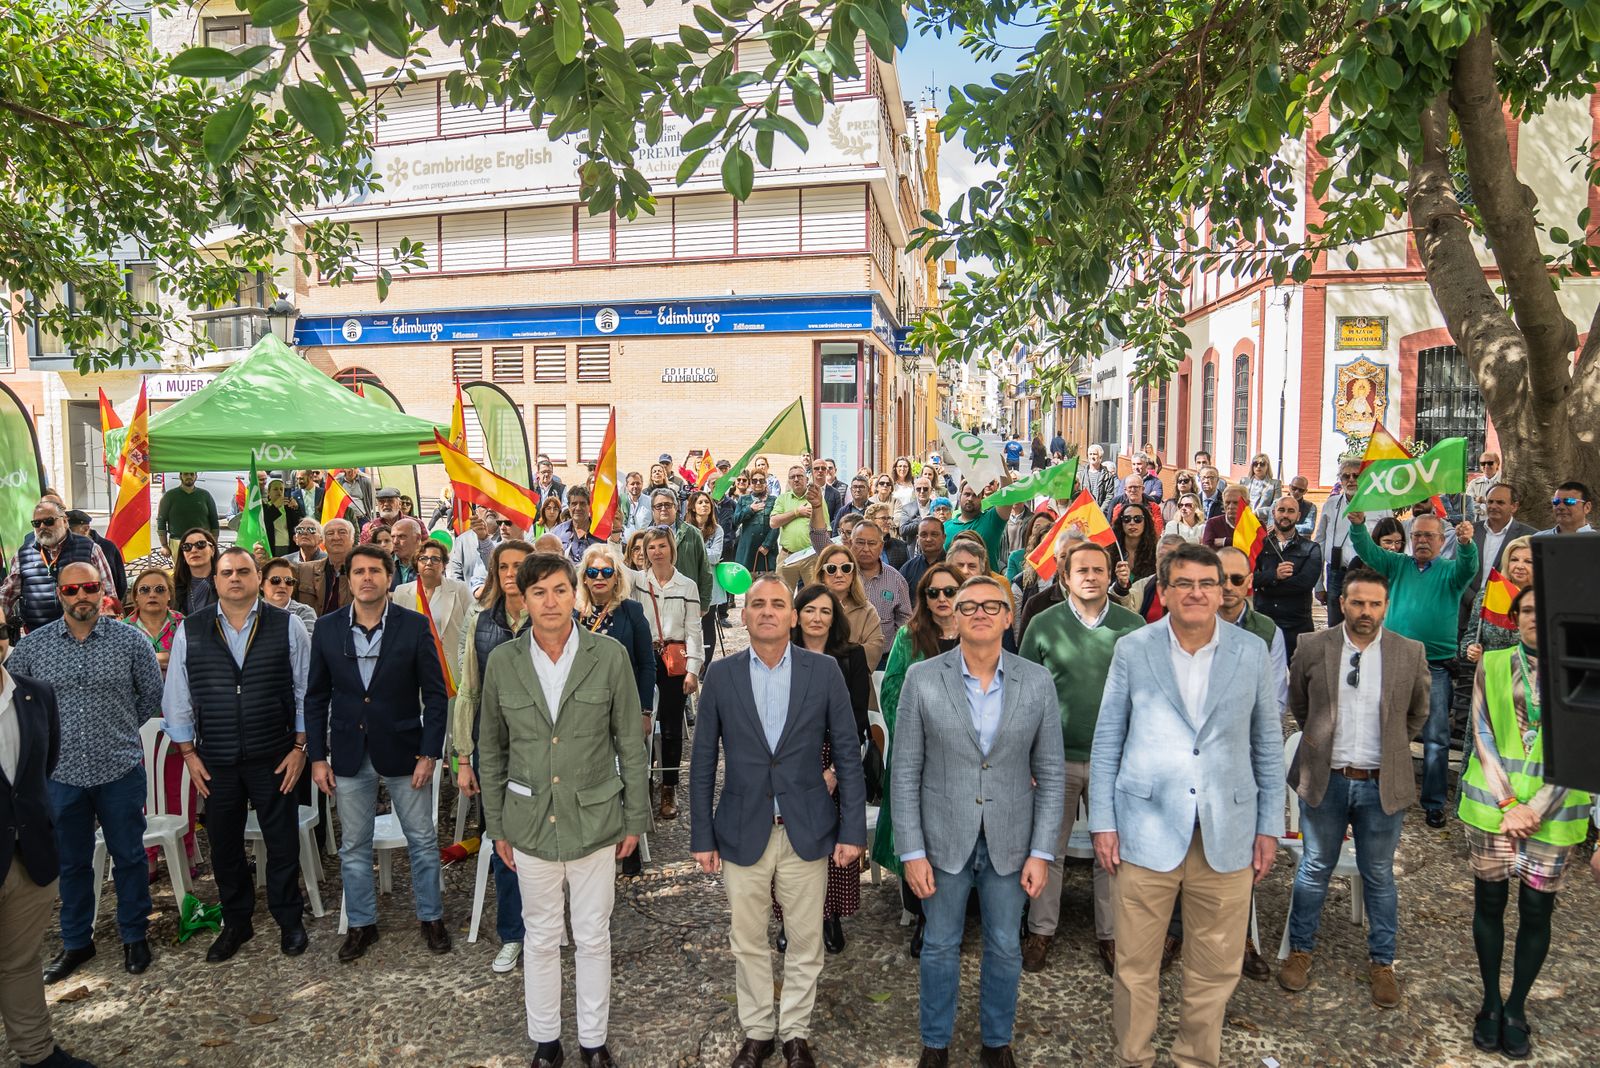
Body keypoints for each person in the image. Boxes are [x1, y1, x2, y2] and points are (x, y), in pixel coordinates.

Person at [1088, 543, 1284, 1068]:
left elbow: (1267, 743)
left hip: (1228, 833)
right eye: (1184, 584)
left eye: (1207, 583)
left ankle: (1195, 1058)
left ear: (1223, 592)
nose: (1196, 593)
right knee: (1134, 964)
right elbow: (1108, 739)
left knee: (1216, 967)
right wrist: (1103, 823)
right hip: (1145, 832)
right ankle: (1134, 1057)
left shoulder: (1250, 651)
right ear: (1165, 592)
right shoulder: (1134, 648)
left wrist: (1269, 827)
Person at [476, 553, 647, 1068]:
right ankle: (546, 1040)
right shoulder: (505, 661)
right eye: (538, 593)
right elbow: (491, 749)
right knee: (542, 935)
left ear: (575, 593)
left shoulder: (609, 655)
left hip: (595, 820)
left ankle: (593, 1041)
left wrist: (634, 818)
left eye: (559, 590)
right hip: (528, 823)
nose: (550, 602)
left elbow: (630, 746)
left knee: (594, 936)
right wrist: (497, 824)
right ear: (522, 600)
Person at [689, 576, 866, 1068]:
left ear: (793, 616)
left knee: (806, 941)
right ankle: (758, 1032)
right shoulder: (721, 677)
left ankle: (795, 1033)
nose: (767, 612)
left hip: (807, 827)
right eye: (757, 604)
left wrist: (852, 829)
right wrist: (701, 834)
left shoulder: (824, 670)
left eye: (778, 604)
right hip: (741, 830)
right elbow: (703, 761)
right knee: (747, 940)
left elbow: (848, 755)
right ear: (743, 616)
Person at [894, 575, 1064, 1068]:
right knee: (941, 945)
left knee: (1005, 946)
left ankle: (996, 1042)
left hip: (1011, 841)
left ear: (1010, 617)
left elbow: (1051, 774)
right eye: (969, 606)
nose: (981, 613)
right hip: (943, 838)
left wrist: (1041, 851)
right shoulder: (922, 679)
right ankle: (935, 1043)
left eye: (994, 605)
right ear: (955, 615)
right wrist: (911, 851)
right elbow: (904, 772)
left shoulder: (1037, 681)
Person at [1279, 568, 1431, 1007]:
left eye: (1375, 604)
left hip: (1381, 785)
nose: (1366, 612)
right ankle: (1301, 951)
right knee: (1314, 868)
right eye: (1358, 603)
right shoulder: (1312, 647)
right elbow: (1300, 704)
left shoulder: (1409, 653)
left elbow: (1417, 713)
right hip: (1326, 781)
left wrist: (1391, 749)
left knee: (1379, 874)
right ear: (1342, 603)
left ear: (1386, 606)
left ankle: (1382, 962)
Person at [7, 563, 164, 982]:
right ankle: (77, 942)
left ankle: (134, 935)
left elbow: (150, 694)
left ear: (103, 591)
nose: (81, 596)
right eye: (72, 588)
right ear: (59, 593)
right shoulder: (34, 647)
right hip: (60, 775)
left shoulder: (131, 642)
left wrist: (115, 728)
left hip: (119, 768)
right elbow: (16, 700)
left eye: (89, 587)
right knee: (72, 862)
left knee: (129, 857)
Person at [1456, 585, 1592, 1060]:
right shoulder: (1492, 664)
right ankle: (1490, 1000)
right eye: (1528, 609)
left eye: (1546, 609)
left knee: (1537, 913)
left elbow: (1583, 743)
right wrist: (1510, 801)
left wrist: (1538, 808)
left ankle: (1517, 1007)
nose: (1537, 616)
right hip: (1493, 810)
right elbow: (1482, 731)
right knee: (1489, 905)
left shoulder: (1583, 668)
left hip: (1552, 818)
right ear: (1516, 617)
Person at [161, 548, 311, 961]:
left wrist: (301, 746)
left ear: (258, 576)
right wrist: (189, 754)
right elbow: (178, 696)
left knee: (281, 843)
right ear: (216, 578)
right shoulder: (192, 629)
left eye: (244, 571)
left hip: (275, 755)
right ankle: (237, 923)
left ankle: (288, 919)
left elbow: (305, 690)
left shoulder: (288, 625)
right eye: (227, 572)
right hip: (217, 760)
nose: (235, 579)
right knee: (225, 846)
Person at [305, 544, 452, 961]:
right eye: (358, 572)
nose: (366, 578)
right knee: (354, 844)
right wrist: (318, 756)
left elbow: (436, 697)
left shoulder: (414, 626)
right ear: (348, 580)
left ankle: (432, 917)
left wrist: (429, 753)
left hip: (405, 751)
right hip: (349, 752)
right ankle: (361, 925)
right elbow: (315, 697)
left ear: (390, 577)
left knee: (422, 840)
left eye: (375, 570)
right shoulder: (328, 628)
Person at [1018, 540, 1143, 975]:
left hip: (1115, 761)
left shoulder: (1133, 625)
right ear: (1065, 576)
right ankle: (1041, 930)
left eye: (1099, 569)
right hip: (1055, 758)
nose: (1090, 576)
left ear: (1111, 575)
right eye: (1081, 570)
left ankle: (1111, 935)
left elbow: (1145, 696)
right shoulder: (1043, 624)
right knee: (1047, 849)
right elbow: (1024, 694)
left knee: (1112, 851)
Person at [0, 623, 97, 1068]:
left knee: (20, 963)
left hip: (29, 858)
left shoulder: (36, 694)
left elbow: (44, 764)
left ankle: (37, 1055)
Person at [1349, 510, 1477, 828]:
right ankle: (1386, 794)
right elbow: (1368, 551)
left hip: (1435, 667)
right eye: (1417, 535)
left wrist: (1466, 544)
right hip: (1393, 661)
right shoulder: (1399, 565)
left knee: (1436, 738)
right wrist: (1357, 527)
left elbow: (1468, 567)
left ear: (1440, 540)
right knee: (1390, 733)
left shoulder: (1450, 571)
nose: (1421, 540)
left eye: (1429, 535)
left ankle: (1433, 803)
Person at [872, 564, 967, 955]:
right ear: (923, 599)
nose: (942, 599)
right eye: (934, 593)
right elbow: (892, 692)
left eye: (950, 591)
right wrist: (920, 736)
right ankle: (925, 917)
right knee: (920, 838)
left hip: (967, 756)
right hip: (921, 754)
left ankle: (958, 911)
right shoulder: (910, 638)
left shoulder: (977, 632)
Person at [773, 585, 872, 954]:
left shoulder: (851, 656)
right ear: (797, 616)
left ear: (835, 618)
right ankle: (789, 917)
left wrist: (833, 772)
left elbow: (859, 719)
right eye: (810, 610)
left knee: (833, 840)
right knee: (787, 842)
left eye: (825, 611)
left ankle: (829, 915)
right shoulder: (780, 655)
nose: (817, 618)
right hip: (790, 759)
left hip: (837, 757)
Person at [452, 539, 534, 970]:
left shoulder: (550, 619)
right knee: (504, 842)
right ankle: (513, 933)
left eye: (519, 566)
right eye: (503, 566)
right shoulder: (482, 622)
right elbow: (469, 692)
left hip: (542, 749)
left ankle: (546, 927)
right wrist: (464, 757)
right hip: (493, 751)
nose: (509, 573)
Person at [629, 525, 703, 821]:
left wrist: (693, 669)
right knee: (641, 720)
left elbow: (694, 630)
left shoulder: (687, 585)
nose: (656, 552)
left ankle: (669, 785)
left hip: (674, 659)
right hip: (644, 658)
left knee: (671, 725)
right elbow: (607, 560)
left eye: (662, 546)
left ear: (671, 548)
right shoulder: (637, 581)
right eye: (651, 547)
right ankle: (643, 780)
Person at [2, 500, 119, 634]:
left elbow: (108, 593)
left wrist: (108, 631)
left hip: (84, 634)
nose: (42, 526)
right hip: (39, 635)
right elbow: (7, 595)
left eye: (49, 521)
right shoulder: (23, 554)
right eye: (36, 523)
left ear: (64, 521)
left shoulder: (89, 548)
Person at [1251, 496, 1323, 662]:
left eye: (1291, 511)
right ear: (1274, 512)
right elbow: (1249, 578)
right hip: (1264, 622)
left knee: (1296, 680)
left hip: (1296, 625)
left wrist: (1267, 585)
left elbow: (1305, 583)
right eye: (1281, 510)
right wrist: (1274, 575)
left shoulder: (1311, 548)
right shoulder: (1259, 545)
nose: (1285, 515)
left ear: (1298, 516)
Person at [392, 540, 473, 682]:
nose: (429, 562)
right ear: (416, 563)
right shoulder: (402, 592)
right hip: (415, 667)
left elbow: (473, 626)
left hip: (452, 670)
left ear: (444, 565)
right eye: (423, 558)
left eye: (435, 559)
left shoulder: (460, 589)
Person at [810, 543, 886, 669]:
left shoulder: (867, 610)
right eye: (831, 569)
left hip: (855, 683)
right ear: (822, 575)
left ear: (853, 573)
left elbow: (874, 650)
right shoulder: (808, 609)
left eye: (846, 568)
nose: (839, 574)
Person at [1463, 536, 1534, 663]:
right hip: (1492, 672)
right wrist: (1471, 648)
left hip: (1531, 675)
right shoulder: (1488, 593)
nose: (1519, 566)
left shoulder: (1547, 598)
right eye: (1514, 560)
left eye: (1528, 561)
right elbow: (1471, 636)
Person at [1465, 483, 1535, 613]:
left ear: (1514, 506)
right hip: (1466, 613)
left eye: (1500, 502)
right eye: (1490, 501)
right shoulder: (1469, 532)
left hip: (1507, 613)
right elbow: (1457, 571)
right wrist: (1473, 600)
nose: (1493, 506)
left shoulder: (1530, 536)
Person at [1313, 459, 1366, 625]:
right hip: (1336, 574)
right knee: (1335, 626)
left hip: (1366, 574)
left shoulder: (1380, 505)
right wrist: (1319, 585)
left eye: (1356, 476)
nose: (1351, 480)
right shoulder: (1330, 504)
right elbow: (1319, 542)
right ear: (1340, 480)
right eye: (1346, 476)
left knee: (1361, 623)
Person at [850, 522, 910, 659]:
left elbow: (905, 618)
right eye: (860, 542)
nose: (865, 549)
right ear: (850, 543)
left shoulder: (896, 579)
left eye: (872, 543)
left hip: (884, 658)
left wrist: (897, 648)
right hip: (846, 656)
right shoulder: (842, 574)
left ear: (881, 546)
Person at [649, 491, 714, 615]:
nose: (663, 509)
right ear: (653, 509)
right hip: (654, 603)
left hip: (685, 601)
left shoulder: (693, 533)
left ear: (676, 507)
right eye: (659, 506)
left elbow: (705, 570)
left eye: (668, 505)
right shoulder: (645, 536)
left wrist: (704, 604)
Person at [771, 466, 829, 589]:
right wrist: (797, 512)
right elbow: (773, 522)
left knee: (815, 596)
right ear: (789, 481)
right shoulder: (783, 499)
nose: (796, 479)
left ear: (807, 479)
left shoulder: (816, 499)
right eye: (792, 477)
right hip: (787, 555)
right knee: (782, 596)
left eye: (799, 476)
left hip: (811, 557)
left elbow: (826, 529)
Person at [686, 490, 727, 655]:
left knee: (708, 625)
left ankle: (708, 663)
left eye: (707, 502)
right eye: (700, 502)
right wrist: (703, 552)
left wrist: (694, 550)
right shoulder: (685, 529)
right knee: (688, 624)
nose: (704, 505)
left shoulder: (717, 530)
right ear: (693, 507)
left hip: (709, 583)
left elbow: (716, 556)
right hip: (688, 580)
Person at [943, 481, 1015, 573]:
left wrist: (1001, 467)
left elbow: (1008, 491)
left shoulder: (993, 520)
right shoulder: (945, 526)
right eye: (967, 494)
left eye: (975, 495)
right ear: (960, 496)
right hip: (955, 585)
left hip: (986, 584)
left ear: (982, 498)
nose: (970, 498)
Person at [63, 510, 126, 602]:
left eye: (70, 531)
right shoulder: (62, 548)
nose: (67, 536)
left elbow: (120, 583)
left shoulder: (107, 548)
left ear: (85, 529)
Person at [156, 472, 220, 557]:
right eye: (186, 474)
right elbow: (161, 520)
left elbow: (214, 520)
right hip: (178, 542)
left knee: (203, 569)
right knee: (180, 570)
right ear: (180, 476)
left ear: (196, 476)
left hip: (202, 542)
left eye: (192, 474)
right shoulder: (169, 496)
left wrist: (214, 544)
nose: (189, 477)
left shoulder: (205, 495)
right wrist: (164, 545)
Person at [730, 473, 780, 575]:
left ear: (766, 483)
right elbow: (735, 520)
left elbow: (776, 525)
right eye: (754, 480)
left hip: (766, 550)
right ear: (750, 483)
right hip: (747, 549)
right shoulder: (743, 499)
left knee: (767, 585)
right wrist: (750, 509)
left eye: (761, 480)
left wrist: (767, 545)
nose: (758, 483)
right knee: (747, 586)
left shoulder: (774, 500)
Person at [448, 507, 501, 591]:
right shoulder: (462, 540)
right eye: (484, 506)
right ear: (476, 512)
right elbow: (456, 576)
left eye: (493, 504)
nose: (490, 509)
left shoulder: (507, 538)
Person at [549, 485, 602, 567]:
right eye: (574, 504)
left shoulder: (601, 533)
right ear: (569, 506)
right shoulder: (558, 532)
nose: (578, 508)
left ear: (589, 506)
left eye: (582, 504)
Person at [899, 516, 947, 601]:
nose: (928, 539)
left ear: (944, 538)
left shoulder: (953, 565)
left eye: (934, 534)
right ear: (917, 539)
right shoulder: (908, 569)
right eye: (924, 535)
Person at [261, 478, 304, 557]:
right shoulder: (264, 507)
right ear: (268, 493)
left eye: (281, 489)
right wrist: (275, 506)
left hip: (289, 546)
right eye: (275, 489)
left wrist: (296, 508)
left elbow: (299, 524)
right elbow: (265, 522)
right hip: (272, 546)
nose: (279, 491)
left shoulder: (288, 507)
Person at [1199, 484, 1248, 550]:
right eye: (1227, 502)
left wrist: (1225, 541)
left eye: (1236, 503)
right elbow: (1208, 552)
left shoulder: (1256, 525)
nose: (1231, 507)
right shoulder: (1213, 524)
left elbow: (1255, 546)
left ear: (1247, 503)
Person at [388, 517, 425, 589]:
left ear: (417, 538)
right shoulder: (385, 563)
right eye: (393, 537)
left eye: (401, 536)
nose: (395, 542)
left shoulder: (429, 563)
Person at [1466, 451, 1502, 517]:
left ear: (1497, 464)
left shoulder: (1504, 483)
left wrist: (1481, 500)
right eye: (1483, 463)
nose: (1486, 466)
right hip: (1478, 523)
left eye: (1490, 463)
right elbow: (1469, 505)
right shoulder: (1473, 484)